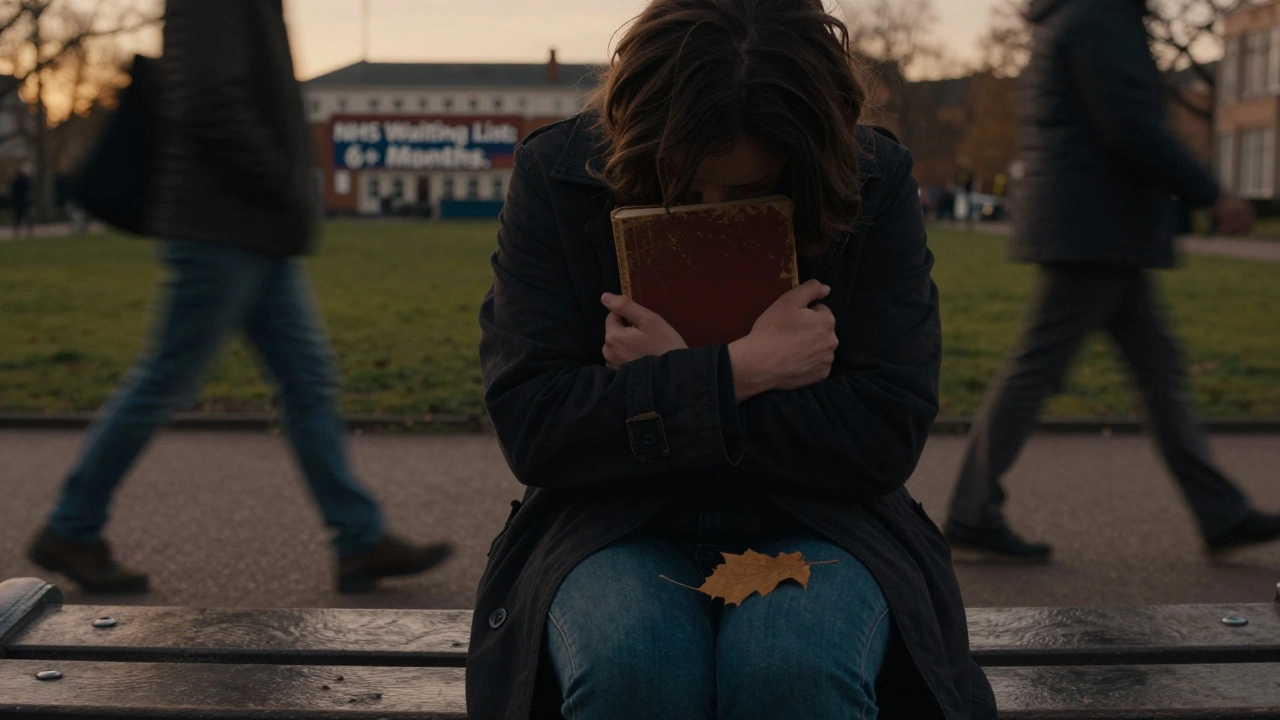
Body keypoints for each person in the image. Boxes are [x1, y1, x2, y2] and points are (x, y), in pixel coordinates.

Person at [467, 1, 996, 718]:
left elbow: (883, 430)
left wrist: (663, 384)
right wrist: (741, 370)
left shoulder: (874, 179)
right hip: (612, 522)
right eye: (680, 183)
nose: (710, 207)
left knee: (791, 668)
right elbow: (536, 425)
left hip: (822, 521)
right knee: (635, 664)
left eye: (750, 194)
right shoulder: (559, 174)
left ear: (809, 159)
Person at [26, 0, 452, 595]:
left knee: (307, 381)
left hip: (250, 226)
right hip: (220, 222)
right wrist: (286, 183)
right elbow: (209, 101)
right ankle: (71, 526)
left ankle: (358, 538)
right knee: (166, 377)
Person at [944, 0, 1280, 563]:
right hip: (1095, 226)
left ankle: (1221, 513)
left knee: (1157, 373)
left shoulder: (1077, 15)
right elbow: (1129, 124)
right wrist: (1211, 192)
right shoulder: (1098, 16)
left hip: (1095, 224)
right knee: (1040, 369)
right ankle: (970, 509)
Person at [10, 170, 32, 238]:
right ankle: (29, 231)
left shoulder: (15, 182)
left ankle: (16, 232)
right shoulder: (25, 182)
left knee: (17, 218)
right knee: (26, 217)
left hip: (17, 203)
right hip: (24, 202)